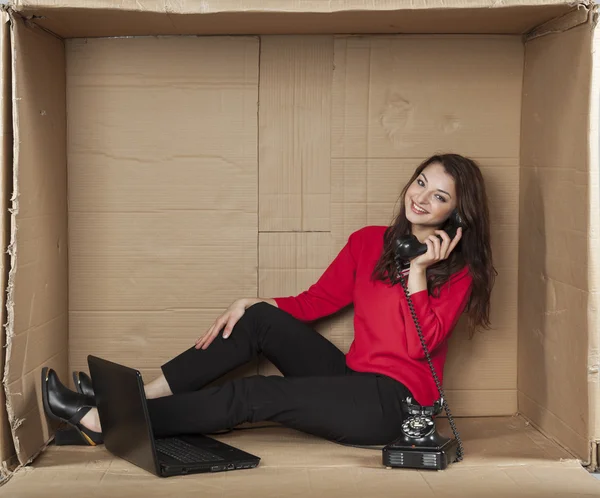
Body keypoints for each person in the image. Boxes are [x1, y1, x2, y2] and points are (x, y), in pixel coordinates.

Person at [41, 153, 496, 448]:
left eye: (438, 196)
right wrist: (256, 304)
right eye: (420, 183)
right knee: (258, 319)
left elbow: (419, 347)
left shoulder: (458, 272)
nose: (420, 198)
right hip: (351, 379)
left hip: (395, 405)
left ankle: (109, 419)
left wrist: (417, 274)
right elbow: (318, 300)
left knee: (255, 394)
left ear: (453, 213)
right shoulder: (367, 242)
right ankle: (141, 392)